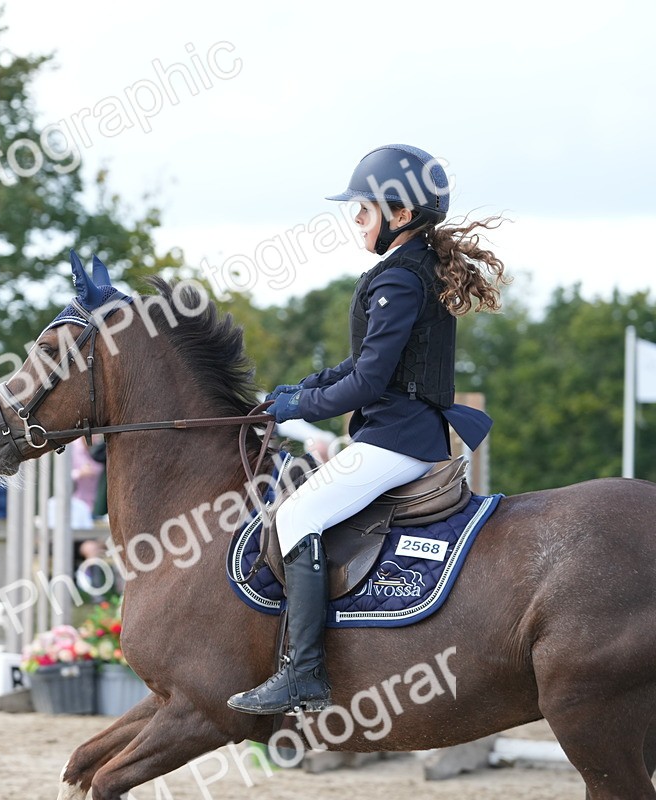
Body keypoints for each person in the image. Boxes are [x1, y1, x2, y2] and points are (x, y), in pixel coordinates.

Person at [228, 144, 507, 716]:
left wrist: (299, 407)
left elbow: (366, 384)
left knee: (295, 516)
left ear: (400, 216)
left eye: (364, 210)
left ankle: (302, 674)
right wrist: (295, 391)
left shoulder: (400, 279)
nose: (355, 220)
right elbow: (359, 367)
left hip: (395, 441)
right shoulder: (413, 269)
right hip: (399, 434)